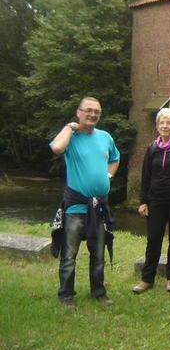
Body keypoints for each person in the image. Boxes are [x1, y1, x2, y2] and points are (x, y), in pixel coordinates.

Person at [50, 96, 120, 307]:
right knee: (70, 254)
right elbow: (56, 148)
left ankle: (99, 292)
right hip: (76, 205)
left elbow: (115, 158)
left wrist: (108, 176)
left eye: (96, 112)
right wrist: (70, 127)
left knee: (98, 253)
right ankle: (66, 295)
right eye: (88, 110)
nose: (92, 115)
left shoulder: (105, 137)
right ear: (78, 112)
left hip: (99, 207)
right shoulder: (72, 136)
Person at [133, 108, 170, 294]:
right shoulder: (152, 148)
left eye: (169, 123)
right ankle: (147, 279)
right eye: (162, 123)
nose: (165, 126)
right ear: (157, 126)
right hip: (155, 200)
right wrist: (143, 201)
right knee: (154, 239)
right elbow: (146, 176)